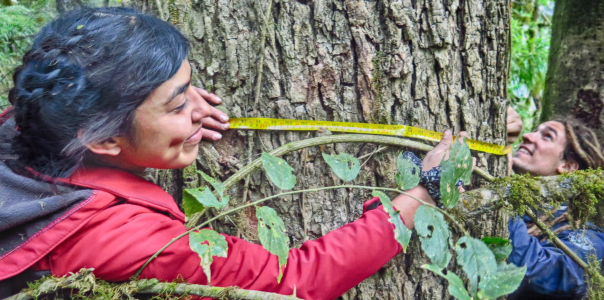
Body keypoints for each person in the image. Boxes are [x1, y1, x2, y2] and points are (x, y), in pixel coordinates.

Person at [0, 7, 459, 299]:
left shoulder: (28, 123)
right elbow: (296, 280)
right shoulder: (127, 242)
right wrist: (423, 194)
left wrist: (176, 109)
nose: (203, 107)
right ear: (101, 140)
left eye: (189, 84)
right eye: (178, 103)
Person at [505, 112, 604, 299]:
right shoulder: (512, 204)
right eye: (534, 131)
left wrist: (504, 187)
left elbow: (540, 274)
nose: (527, 136)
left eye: (547, 136)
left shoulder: (588, 236)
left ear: (568, 167)